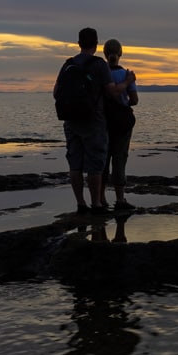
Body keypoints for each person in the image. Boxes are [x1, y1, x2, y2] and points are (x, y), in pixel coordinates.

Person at [54, 27, 134, 215]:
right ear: (96, 44)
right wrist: (128, 81)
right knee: (95, 163)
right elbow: (113, 91)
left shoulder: (68, 64)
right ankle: (96, 204)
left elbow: (56, 92)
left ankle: (81, 204)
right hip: (94, 120)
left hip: (71, 120)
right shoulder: (99, 65)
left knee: (75, 163)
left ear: (79, 43)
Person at [99, 38, 139, 210]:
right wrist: (123, 102)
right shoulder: (126, 75)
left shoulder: (100, 73)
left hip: (103, 122)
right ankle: (120, 199)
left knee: (102, 160)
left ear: (105, 54)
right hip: (122, 123)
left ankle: (100, 198)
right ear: (120, 54)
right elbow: (135, 100)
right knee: (120, 159)